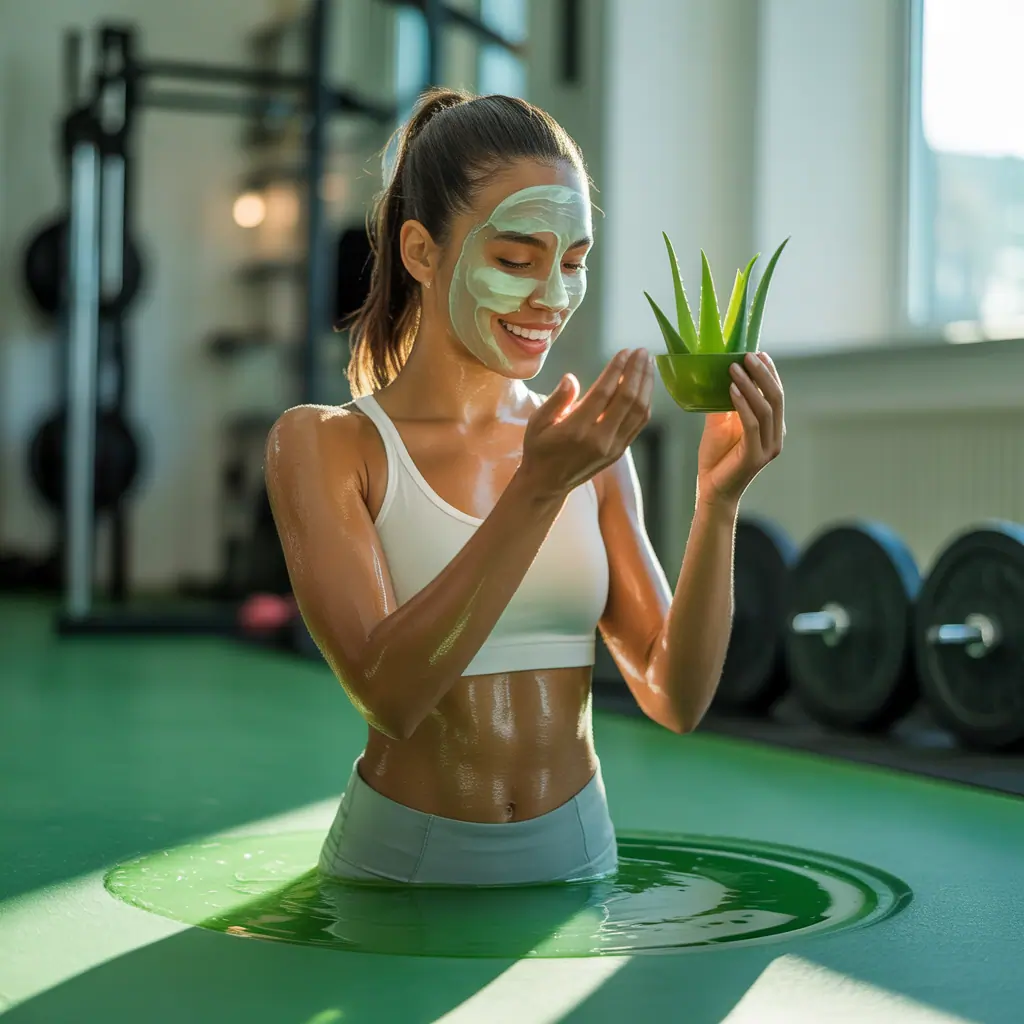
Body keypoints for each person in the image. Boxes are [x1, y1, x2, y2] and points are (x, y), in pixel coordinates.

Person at [264, 88, 785, 887]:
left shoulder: (589, 452)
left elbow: (674, 696)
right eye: (515, 260)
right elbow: (388, 694)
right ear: (421, 252)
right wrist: (536, 491)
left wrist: (718, 503)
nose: (550, 298)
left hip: (577, 853)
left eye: (572, 264)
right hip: (402, 865)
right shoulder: (327, 446)